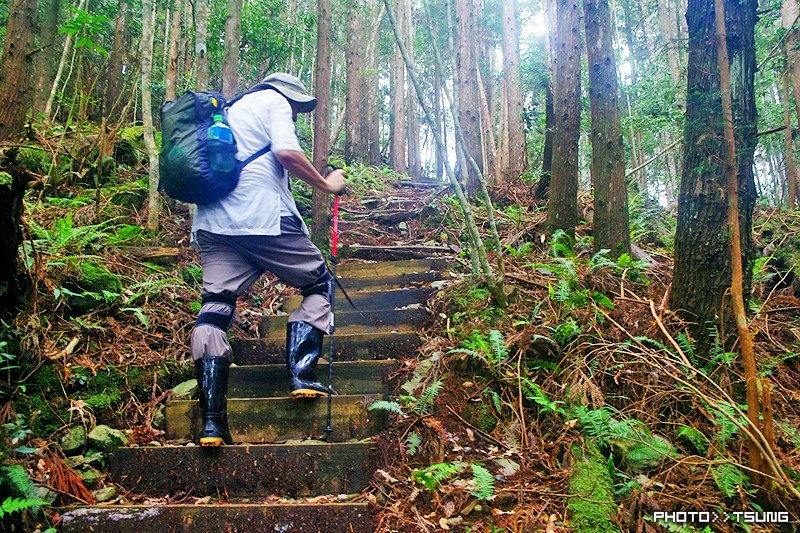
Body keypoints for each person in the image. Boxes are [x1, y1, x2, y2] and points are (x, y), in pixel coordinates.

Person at [189, 73, 346, 446]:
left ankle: (212, 423)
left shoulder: (225, 113)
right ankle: (302, 375)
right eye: (296, 106)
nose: (294, 113)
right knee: (319, 282)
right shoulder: (273, 102)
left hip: (212, 222)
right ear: (287, 96)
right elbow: (287, 154)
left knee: (215, 307)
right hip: (262, 216)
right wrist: (326, 185)